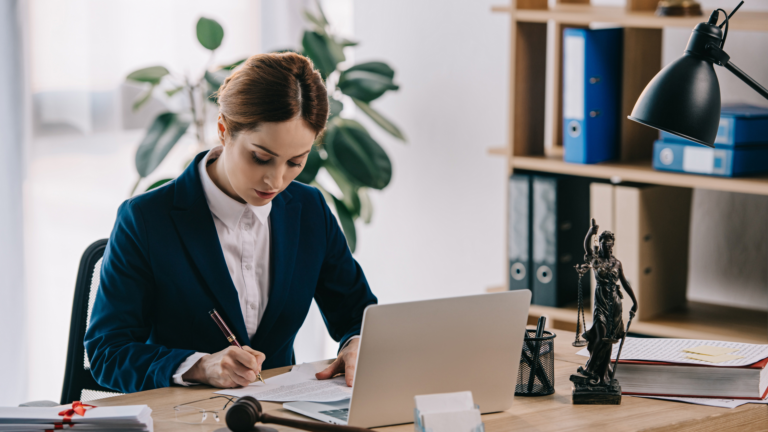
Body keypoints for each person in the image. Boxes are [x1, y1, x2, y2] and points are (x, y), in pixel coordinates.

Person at [84, 52, 378, 393]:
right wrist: (198, 366)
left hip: (278, 416)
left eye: (295, 162)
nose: (276, 181)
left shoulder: (309, 209)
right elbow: (108, 352)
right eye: (261, 158)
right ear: (224, 130)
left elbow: (358, 313)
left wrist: (357, 342)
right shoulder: (146, 219)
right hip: (183, 419)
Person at [576, 219, 638, 386]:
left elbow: (625, 283)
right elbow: (587, 248)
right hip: (601, 302)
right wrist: (591, 232)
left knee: (609, 340)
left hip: (615, 304)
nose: (608, 249)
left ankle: (603, 375)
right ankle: (590, 368)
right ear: (601, 245)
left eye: (610, 246)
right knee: (601, 336)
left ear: (613, 245)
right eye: (604, 246)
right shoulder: (596, 261)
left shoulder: (617, 263)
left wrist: (634, 301)